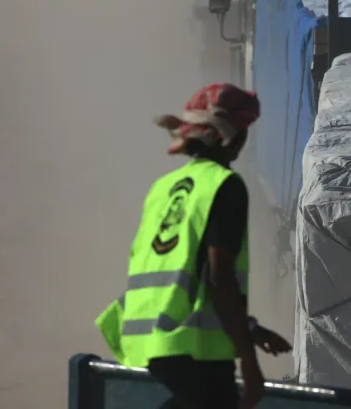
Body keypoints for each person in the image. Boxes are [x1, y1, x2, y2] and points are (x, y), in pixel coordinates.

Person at [94, 84, 291, 409]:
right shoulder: (224, 185)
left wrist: (251, 329)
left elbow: (186, 276)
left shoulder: (163, 187)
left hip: (146, 341)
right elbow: (219, 278)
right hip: (193, 348)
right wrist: (249, 362)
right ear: (234, 136)